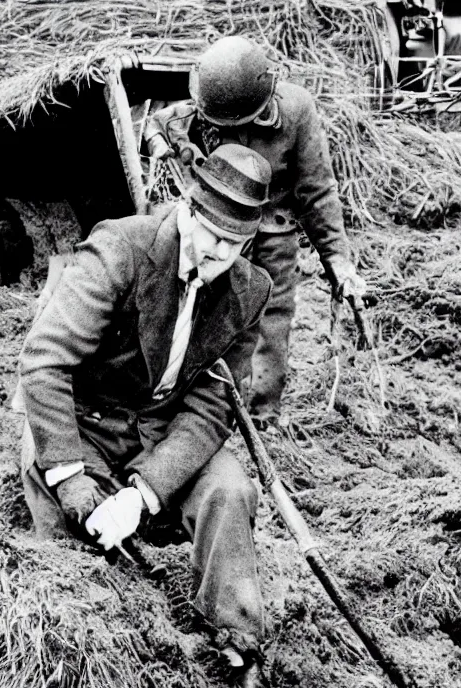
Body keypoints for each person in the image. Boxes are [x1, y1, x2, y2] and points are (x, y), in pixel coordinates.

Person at [18, 144, 274, 688]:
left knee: (229, 488)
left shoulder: (248, 291)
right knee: (64, 509)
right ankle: (81, 654)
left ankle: (238, 651)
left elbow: (214, 407)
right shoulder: (120, 250)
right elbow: (44, 364)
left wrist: (146, 493)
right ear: (187, 206)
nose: (218, 255)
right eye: (211, 236)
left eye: (235, 246)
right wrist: (72, 475)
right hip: (87, 418)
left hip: (162, 429)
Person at [144, 35, 368, 419]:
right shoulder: (205, 102)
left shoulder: (296, 111)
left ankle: (261, 416)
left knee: (270, 323)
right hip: (215, 230)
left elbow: (317, 193)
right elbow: (159, 123)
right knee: (200, 315)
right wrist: (160, 143)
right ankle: (199, 411)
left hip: (271, 234)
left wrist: (338, 260)